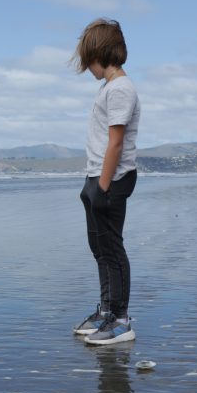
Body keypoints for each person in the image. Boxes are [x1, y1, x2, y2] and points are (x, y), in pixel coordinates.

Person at [71, 18, 140, 345]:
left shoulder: (122, 89)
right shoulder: (109, 88)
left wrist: (102, 186)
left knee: (112, 248)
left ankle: (121, 320)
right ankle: (106, 311)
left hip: (112, 179)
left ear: (101, 53)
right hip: (97, 176)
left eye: (90, 62)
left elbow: (116, 142)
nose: (88, 69)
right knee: (98, 248)